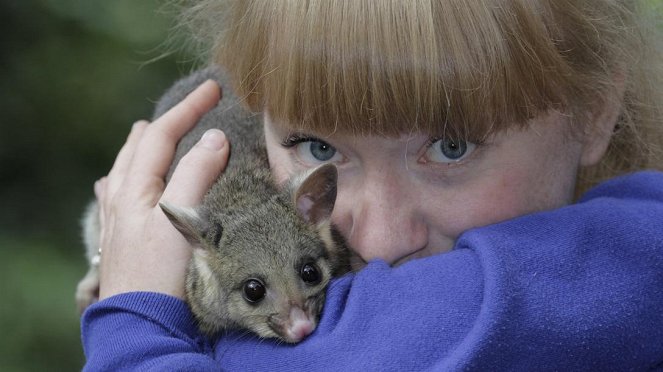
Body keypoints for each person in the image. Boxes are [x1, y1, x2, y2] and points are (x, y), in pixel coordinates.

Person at [81, 1, 663, 370]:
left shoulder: (608, 274)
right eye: (318, 147)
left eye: (451, 147)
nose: (381, 243)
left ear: (592, 113)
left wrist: (137, 318)